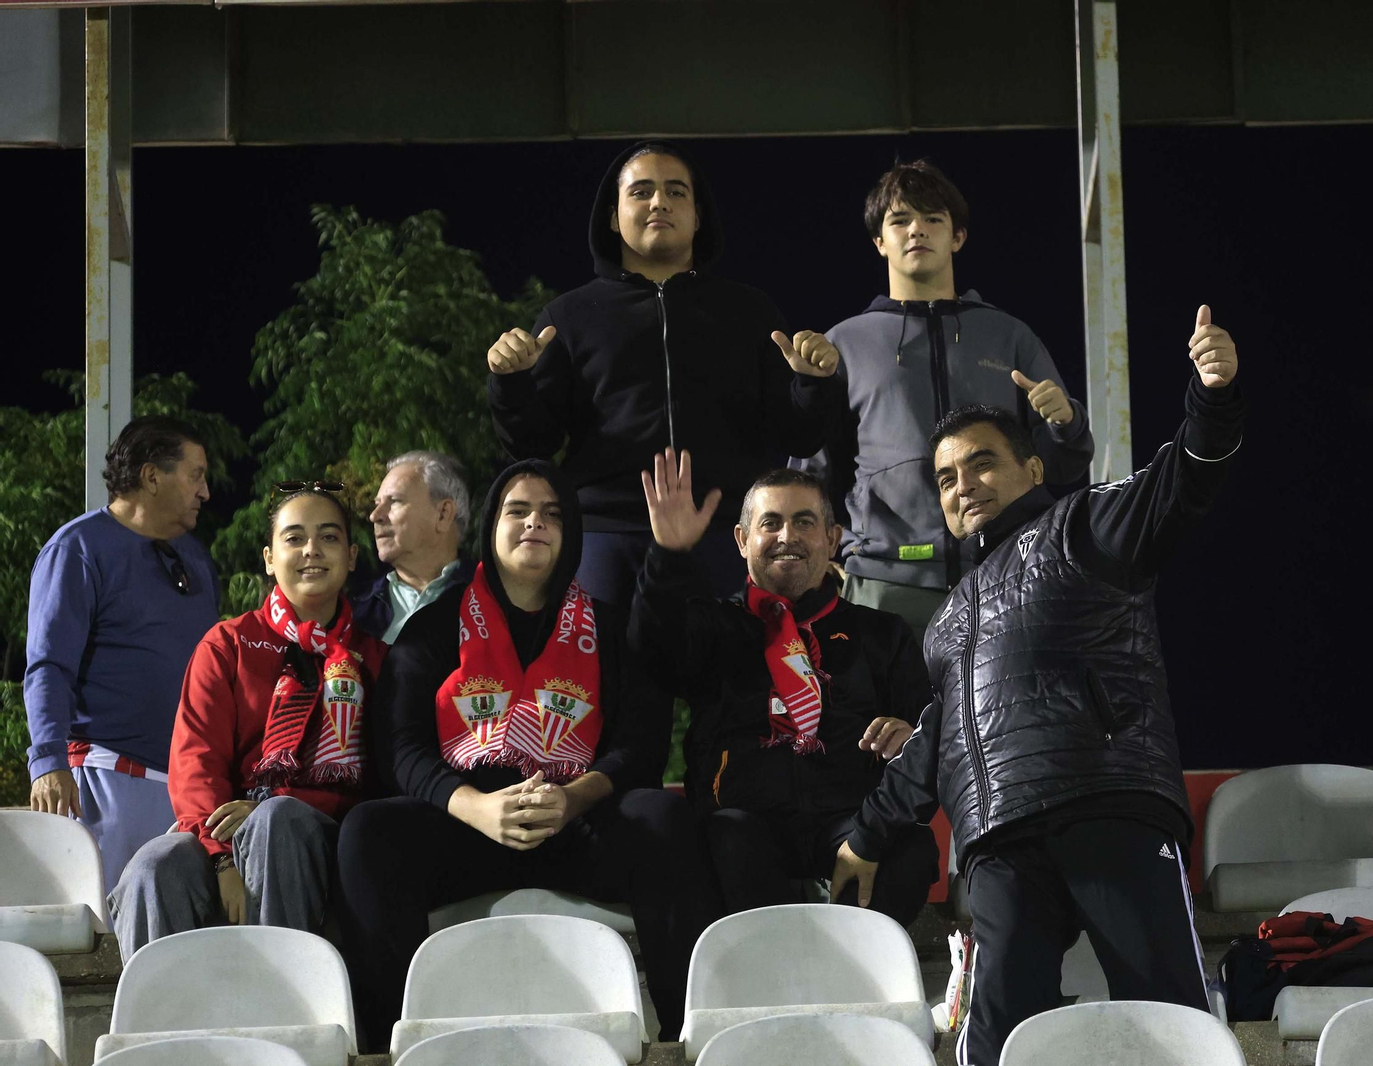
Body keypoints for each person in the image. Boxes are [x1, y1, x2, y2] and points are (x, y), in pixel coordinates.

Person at [833, 306, 1245, 1066]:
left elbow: (1180, 482)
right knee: (994, 1043)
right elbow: (937, 739)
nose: (964, 487)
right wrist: (865, 837)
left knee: (1171, 1026)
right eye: (947, 478)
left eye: (982, 464)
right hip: (998, 839)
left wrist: (1212, 400)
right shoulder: (947, 619)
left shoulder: (1084, 527)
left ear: (1031, 469)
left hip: (1106, 805)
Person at [336, 458, 714, 1050]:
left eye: (552, 514)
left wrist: (572, 799)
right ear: (491, 527)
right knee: (368, 832)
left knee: (663, 818)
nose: (535, 522)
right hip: (469, 823)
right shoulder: (433, 629)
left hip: (575, 820)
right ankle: (387, 1047)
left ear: (572, 535)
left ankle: (683, 1041)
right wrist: (477, 808)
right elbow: (401, 750)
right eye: (518, 510)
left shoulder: (610, 628)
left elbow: (640, 747)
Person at [486, 140, 844, 607]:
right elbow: (532, 445)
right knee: (604, 657)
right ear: (612, 217)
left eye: (676, 192)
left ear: (698, 217)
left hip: (726, 534)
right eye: (641, 192)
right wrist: (511, 382)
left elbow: (797, 437)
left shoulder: (750, 311)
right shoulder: (568, 317)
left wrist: (814, 384)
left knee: (732, 656)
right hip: (606, 534)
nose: (659, 202)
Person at [631, 454, 938, 928]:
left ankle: (854, 967)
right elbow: (651, 650)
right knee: (728, 837)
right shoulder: (712, 627)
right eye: (770, 523)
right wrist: (667, 556)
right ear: (742, 540)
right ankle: (774, 969)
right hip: (743, 824)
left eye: (804, 522)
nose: (786, 536)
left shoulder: (882, 634)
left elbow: (928, 743)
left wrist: (872, 829)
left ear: (832, 538)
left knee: (912, 849)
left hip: (852, 823)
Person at [797, 159, 1095, 633]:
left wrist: (1066, 424)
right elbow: (809, 472)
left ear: (957, 236)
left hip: (1006, 574)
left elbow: (1061, 466)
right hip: (884, 584)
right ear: (879, 242)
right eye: (900, 220)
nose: (916, 230)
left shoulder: (1008, 336)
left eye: (932, 218)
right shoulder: (844, 344)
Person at [109, 483, 384, 962]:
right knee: (154, 868)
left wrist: (271, 806)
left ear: (352, 556)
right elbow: (196, 765)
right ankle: (158, 1009)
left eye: (328, 537)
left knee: (278, 820)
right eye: (294, 538)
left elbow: (385, 780)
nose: (311, 550)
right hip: (225, 834)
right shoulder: (228, 645)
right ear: (269, 559)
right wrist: (220, 861)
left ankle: (282, 995)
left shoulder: (376, 659)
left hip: (327, 837)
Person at [24, 416, 221, 889]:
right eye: (195, 475)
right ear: (152, 476)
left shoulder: (196, 558)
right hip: (109, 785)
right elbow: (49, 666)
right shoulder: (77, 548)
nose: (205, 491)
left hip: (189, 794)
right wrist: (47, 762)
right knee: (112, 930)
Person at [351, 450, 472, 643]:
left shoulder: (494, 601)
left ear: (443, 514)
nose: (375, 516)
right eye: (377, 503)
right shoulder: (353, 614)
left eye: (394, 501)